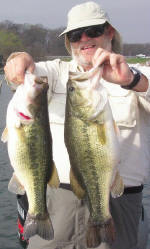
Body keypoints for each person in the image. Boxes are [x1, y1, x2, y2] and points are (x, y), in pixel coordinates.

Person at [4, 2, 150, 249]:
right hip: (56, 201)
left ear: (109, 32)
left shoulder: (138, 74)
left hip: (119, 202)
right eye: (74, 34)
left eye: (92, 30)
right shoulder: (57, 72)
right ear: (68, 41)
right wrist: (17, 59)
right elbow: (25, 75)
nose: (83, 39)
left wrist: (132, 80)